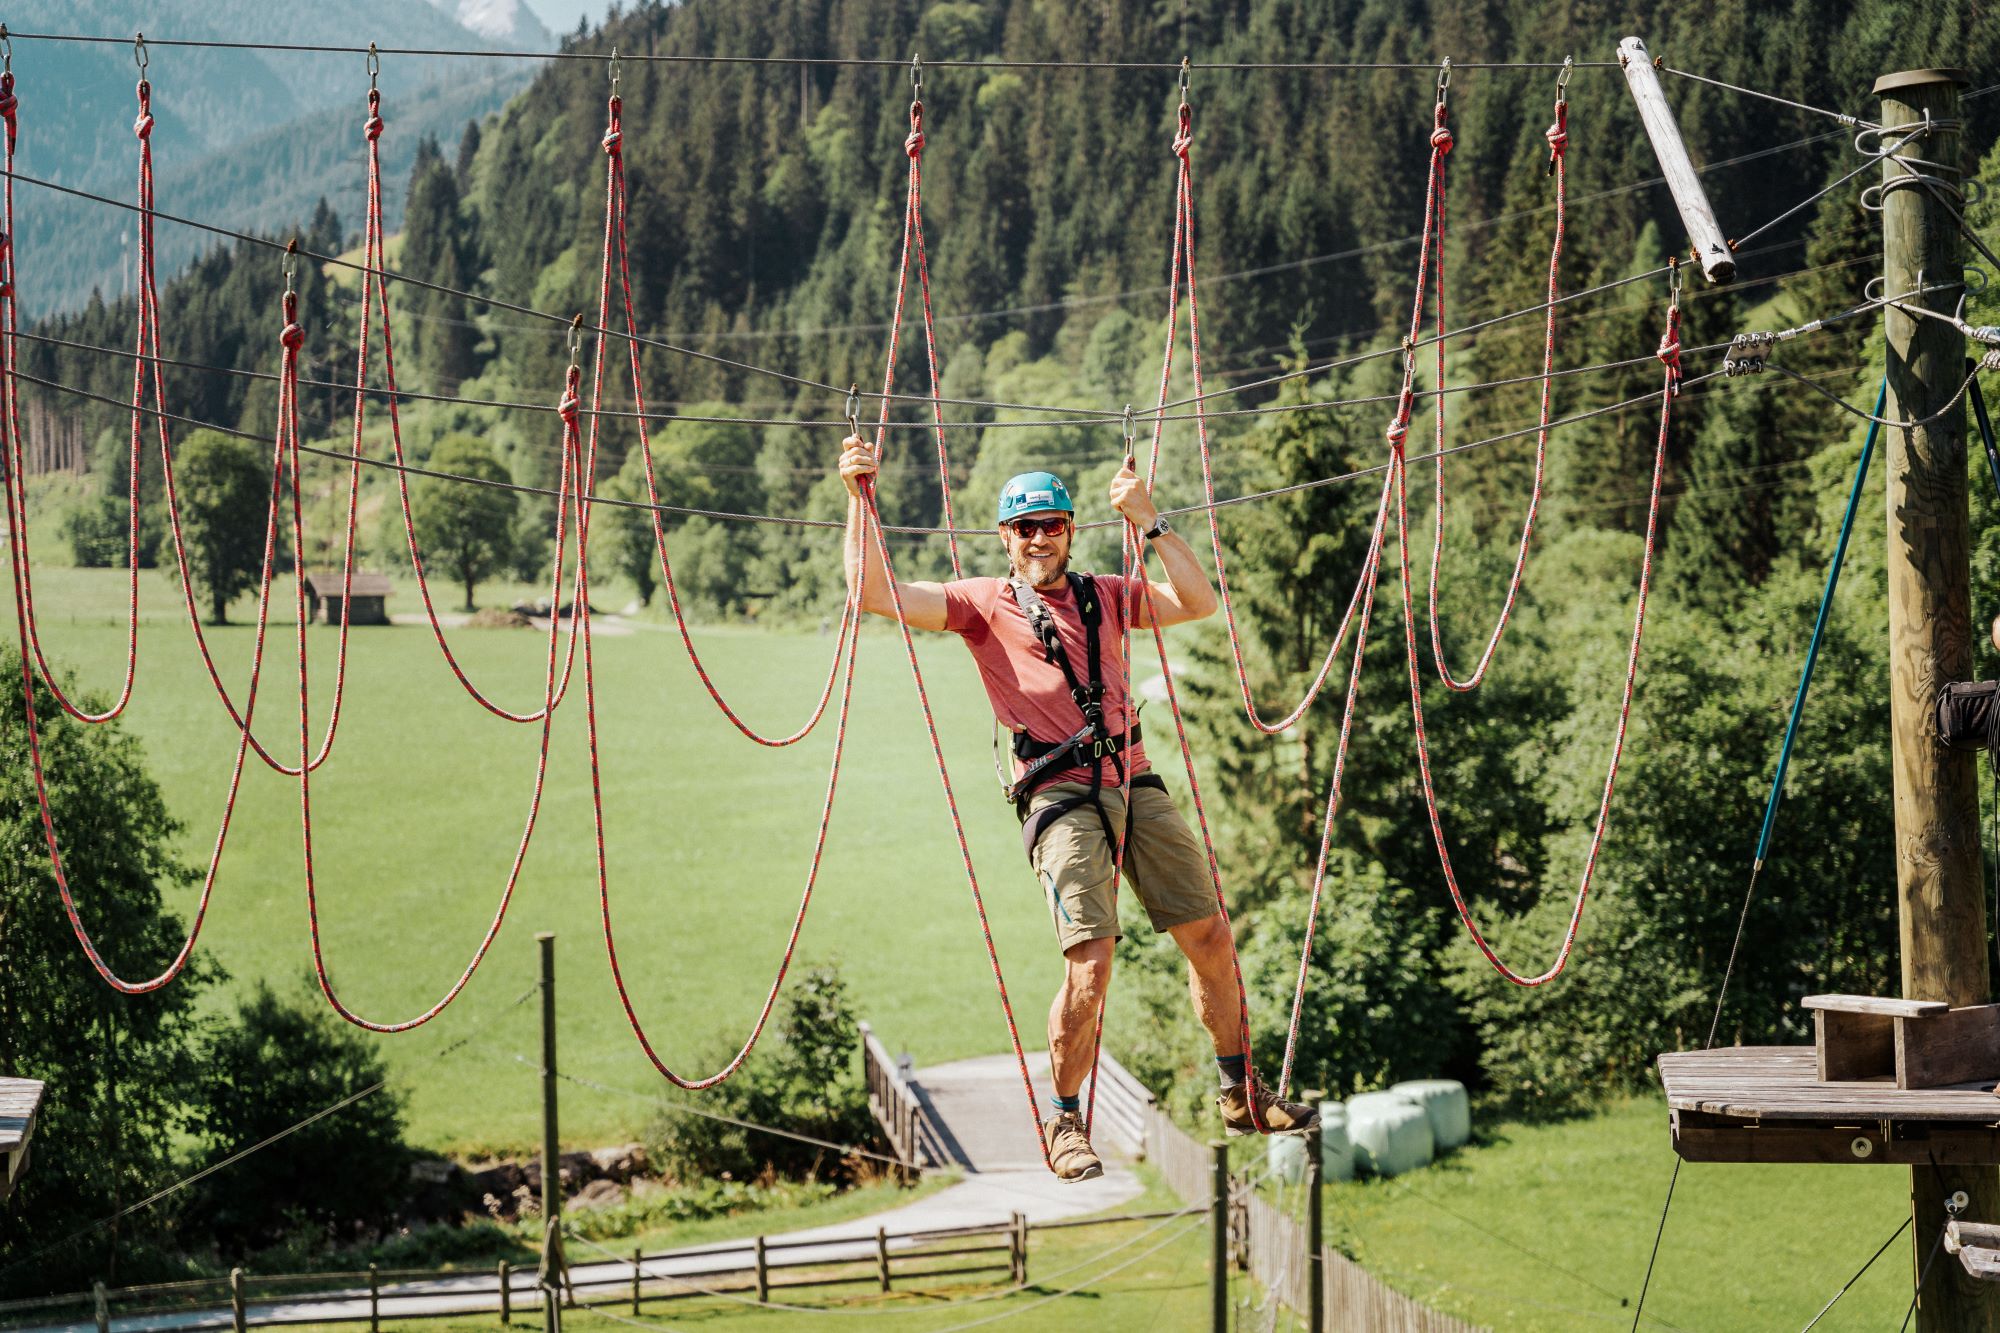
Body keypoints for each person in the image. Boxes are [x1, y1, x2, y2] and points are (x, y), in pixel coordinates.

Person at [839, 436, 1318, 1183]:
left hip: (1133, 779)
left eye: (1052, 524)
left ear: (1070, 529)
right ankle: (1064, 1118)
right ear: (1004, 537)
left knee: (1212, 939)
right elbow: (876, 594)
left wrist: (1150, 519)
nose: (1038, 538)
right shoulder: (980, 604)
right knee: (1091, 966)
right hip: (1060, 795)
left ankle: (1237, 1090)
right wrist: (859, 496)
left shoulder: (1108, 595)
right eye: (1024, 528)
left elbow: (1198, 601)